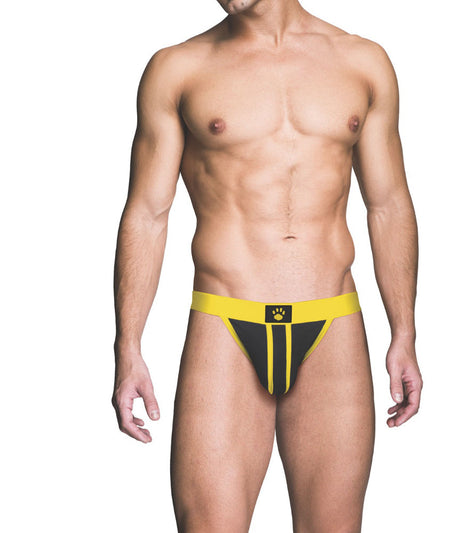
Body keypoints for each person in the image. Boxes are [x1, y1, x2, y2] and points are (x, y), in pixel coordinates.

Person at [111, 0, 423, 531]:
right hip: (225, 321)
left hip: (332, 324)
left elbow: (389, 204)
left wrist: (405, 332)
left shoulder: (362, 63)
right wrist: (128, 345)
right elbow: (147, 213)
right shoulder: (179, 69)